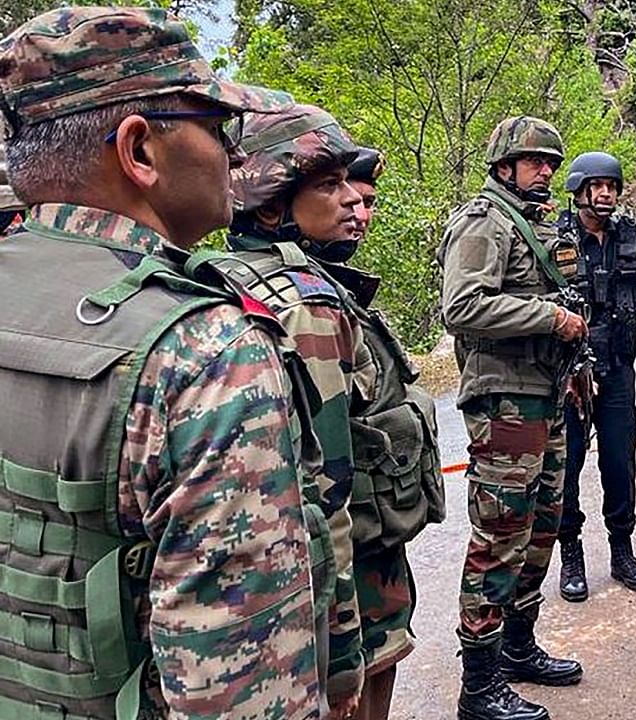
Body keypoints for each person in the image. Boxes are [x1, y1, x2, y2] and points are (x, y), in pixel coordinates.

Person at [0, 7, 325, 719]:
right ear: (139, 150)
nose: (235, 157)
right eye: (216, 128)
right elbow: (241, 693)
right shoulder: (207, 350)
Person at [219, 104, 369, 716]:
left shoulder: (218, 277)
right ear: (274, 203)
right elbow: (328, 486)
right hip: (321, 565)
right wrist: (343, 642)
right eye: (327, 185)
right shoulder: (308, 301)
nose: (349, 199)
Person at [437, 116, 588, 720]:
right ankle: (478, 685)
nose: (547, 171)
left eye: (551, 162)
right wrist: (549, 318)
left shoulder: (534, 222)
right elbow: (462, 305)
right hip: (505, 403)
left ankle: (518, 648)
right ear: (505, 165)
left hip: (545, 396)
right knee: (500, 536)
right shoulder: (484, 221)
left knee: (541, 528)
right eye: (535, 162)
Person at [342, 146, 448, 720]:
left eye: (366, 201)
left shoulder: (338, 292)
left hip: (371, 538)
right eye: (340, 194)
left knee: (381, 660)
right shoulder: (298, 301)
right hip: (338, 547)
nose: (357, 210)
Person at [554, 152, 636, 604]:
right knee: (567, 465)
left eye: (612, 186)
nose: (606, 193)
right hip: (569, 373)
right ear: (578, 190)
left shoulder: (630, 235)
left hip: (617, 369)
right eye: (597, 186)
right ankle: (570, 553)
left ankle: (622, 549)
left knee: (619, 461)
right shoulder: (554, 239)